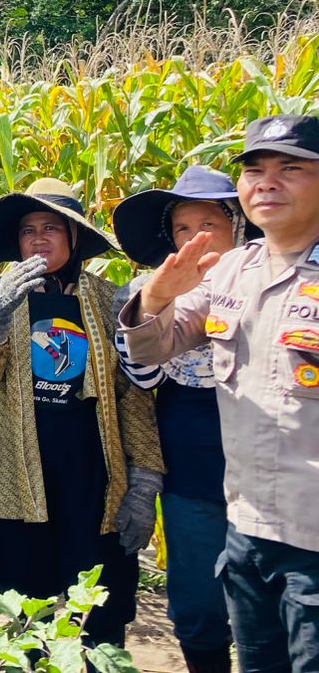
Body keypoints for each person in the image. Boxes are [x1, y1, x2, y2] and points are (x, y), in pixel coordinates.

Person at [119, 114, 319, 673]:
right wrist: (156, 295)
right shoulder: (232, 274)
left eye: (290, 169)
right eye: (255, 171)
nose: (267, 183)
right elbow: (150, 350)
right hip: (246, 527)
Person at [0, 178, 165, 647]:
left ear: (74, 236)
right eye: (28, 230)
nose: (38, 239)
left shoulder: (107, 298)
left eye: (51, 228)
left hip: (92, 472)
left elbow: (130, 392)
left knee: (101, 602)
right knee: (25, 603)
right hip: (20, 473)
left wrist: (145, 480)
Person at [111, 165, 255, 673]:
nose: (196, 239)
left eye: (209, 224)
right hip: (191, 467)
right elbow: (143, 376)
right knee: (197, 606)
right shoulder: (147, 293)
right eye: (183, 228)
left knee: (272, 605)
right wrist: (156, 302)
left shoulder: (274, 283)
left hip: (268, 467)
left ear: (238, 226)